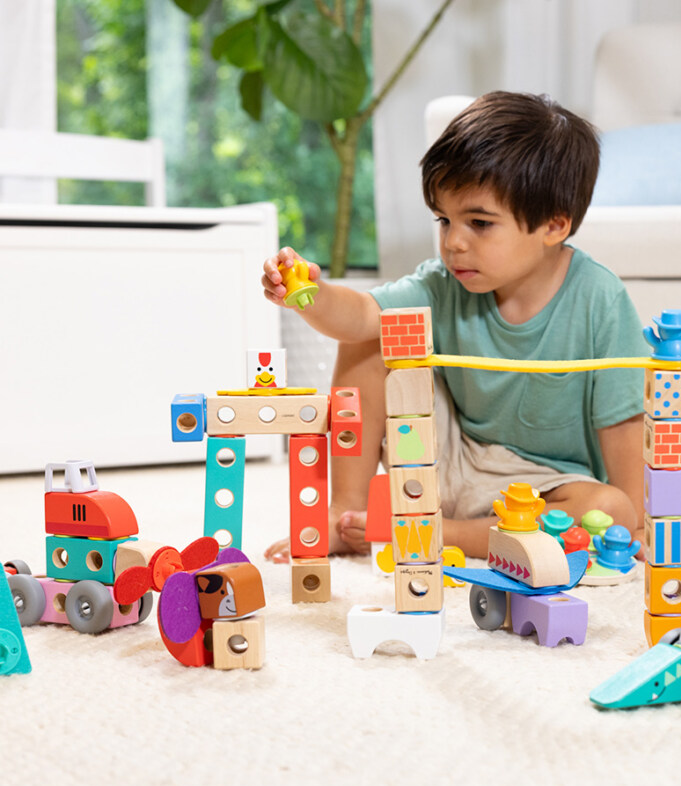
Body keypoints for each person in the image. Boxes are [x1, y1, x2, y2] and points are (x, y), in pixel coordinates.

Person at [261, 91, 648, 562]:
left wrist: (635, 522)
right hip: (443, 463)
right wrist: (309, 294)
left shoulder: (600, 300)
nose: (453, 242)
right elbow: (360, 314)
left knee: (612, 510)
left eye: (479, 223)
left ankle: (443, 534)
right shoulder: (442, 284)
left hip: (546, 490)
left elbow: (623, 423)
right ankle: (346, 512)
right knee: (373, 336)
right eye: (445, 220)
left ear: (553, 226)